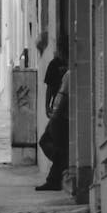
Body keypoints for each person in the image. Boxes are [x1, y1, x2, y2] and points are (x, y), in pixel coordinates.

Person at [38, 40, 70, 191]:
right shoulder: (54, 65)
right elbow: (50, 87)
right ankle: (61, 164)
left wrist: (53, 109)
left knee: (52, 143)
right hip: (58, 111)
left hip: (61, 113)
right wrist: (47, 106)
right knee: (49, 142)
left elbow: (63, 93)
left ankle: (56, 174)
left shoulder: (71, 70)